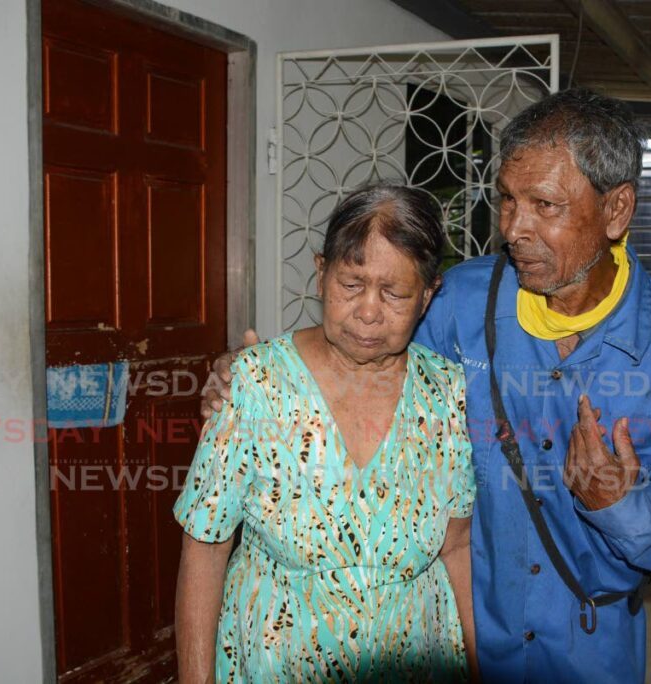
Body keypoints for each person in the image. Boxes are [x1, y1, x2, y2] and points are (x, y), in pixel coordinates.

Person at [204, 89, 651, 683]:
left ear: (616, 210)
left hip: (589, 646)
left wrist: (619, 505)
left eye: (545, 204)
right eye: (508, 200)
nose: (515, 228)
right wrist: (259, 377)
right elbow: (364, 340)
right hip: (458, 633)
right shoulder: (461, 302)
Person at [175, 184, 478, 683]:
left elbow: (456, 547)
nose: (368, 312)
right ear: (320, 273)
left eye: (396, 293)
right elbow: (205, 547)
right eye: (351, 284)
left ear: (427, 296)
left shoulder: (446, 391)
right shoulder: (255, 384)